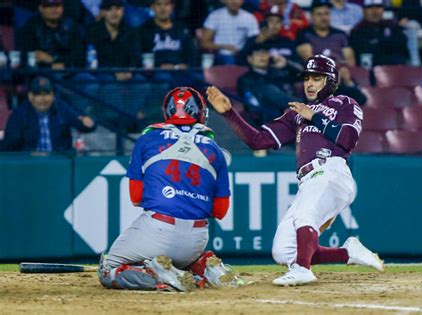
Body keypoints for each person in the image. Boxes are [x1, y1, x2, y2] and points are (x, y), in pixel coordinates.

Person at [206, 55, 384, 286]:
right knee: (283, 251)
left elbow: (348, 139)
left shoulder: (345, 103)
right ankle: (348, 252)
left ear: (330, 81)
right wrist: (229, 113)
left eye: (317, 78)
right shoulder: (296, 113)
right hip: (309, 180)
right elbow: (258, 141)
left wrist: (315, 117)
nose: (309, 83)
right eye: (307, 78)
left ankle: (302, 269)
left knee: (304, 216)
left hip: (331, 171)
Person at [98, 87, 243, 291]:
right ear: (199, 112)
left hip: (157, 229)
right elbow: (220, 211)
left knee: (108, 269)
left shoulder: (147, 138)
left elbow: (136, 197)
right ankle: (205, 268)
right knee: (180, 257)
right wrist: (191, 199)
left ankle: (156, 273)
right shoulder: (214, 149)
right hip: (197, 238)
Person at [0, 76, 95, 152]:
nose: (43, 99)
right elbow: (10, 144)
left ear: (53, 95)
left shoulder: (62, 108)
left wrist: (89, 123)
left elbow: (83, 124)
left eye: (47, 94)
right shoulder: (19, 114)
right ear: (30, 96)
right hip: (29, 163)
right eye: (38, 94)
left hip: (58, 161)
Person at [238, 43, 301, 122]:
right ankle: (305, 105)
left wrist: (287, 64)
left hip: (288, 111)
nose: (262, 57)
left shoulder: (277, 73)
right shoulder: (246, 79)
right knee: (268, 89)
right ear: (249, 59)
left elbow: (302, 77)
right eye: (258, 54)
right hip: (266, 114)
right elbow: (252, 102)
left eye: (265, 54)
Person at [16, 0, 84, 69]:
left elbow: (79, 56)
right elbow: (25, 57)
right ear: (41, 8)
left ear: (62, 8)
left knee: (86, 78)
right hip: (41, 71)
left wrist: (53, 60)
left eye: (57, 5)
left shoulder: (72, 26)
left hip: (68, 70)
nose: (54, 9)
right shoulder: (31, 27)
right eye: (49, 5)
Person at [349, 0, 408, 68]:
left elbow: (402, 42)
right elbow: (365, 49)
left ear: (383, 9)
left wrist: (379, 42)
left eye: (378, 7)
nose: (375, 11)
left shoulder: (392, 25)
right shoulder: (357, 30)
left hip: (394, 67)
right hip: (371, 68)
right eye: (370, 7)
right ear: (363, 10)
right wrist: (386, 42)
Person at [296, 1, 356, 66]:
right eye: (319, 14)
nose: (324, 18)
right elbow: (309, 60)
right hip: (316, 74)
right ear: (311, 16)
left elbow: (350, 61)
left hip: (340, 73)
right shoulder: (304, 34)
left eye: (326, 14)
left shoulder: (341, 34)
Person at [200, 0, 259, 65]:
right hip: (221, 54)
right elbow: (204, 43)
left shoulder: (249, 18)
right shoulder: (215, 16)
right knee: (229, 60)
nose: (234, 2)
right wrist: (226, 47)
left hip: (243, 54)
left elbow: (254, 40)